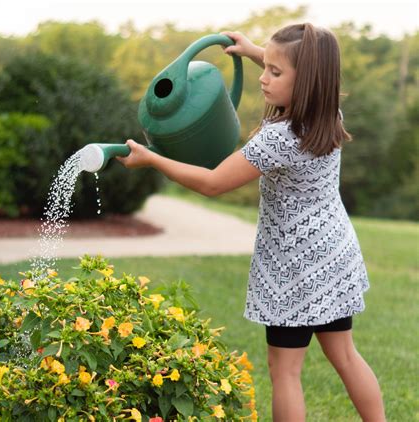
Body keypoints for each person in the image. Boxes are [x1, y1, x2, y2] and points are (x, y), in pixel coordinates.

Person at [117, 23, 386, 422]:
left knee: (285, 371)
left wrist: (151, 159)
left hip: (294, 267)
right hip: (333, 257)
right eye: (267, 67)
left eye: (275, 73)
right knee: (345, 355)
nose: (263, 77)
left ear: (304, 81)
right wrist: (254, 50)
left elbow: (211, 183)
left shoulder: (279, 137)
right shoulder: (328, 112)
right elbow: (302, 72)